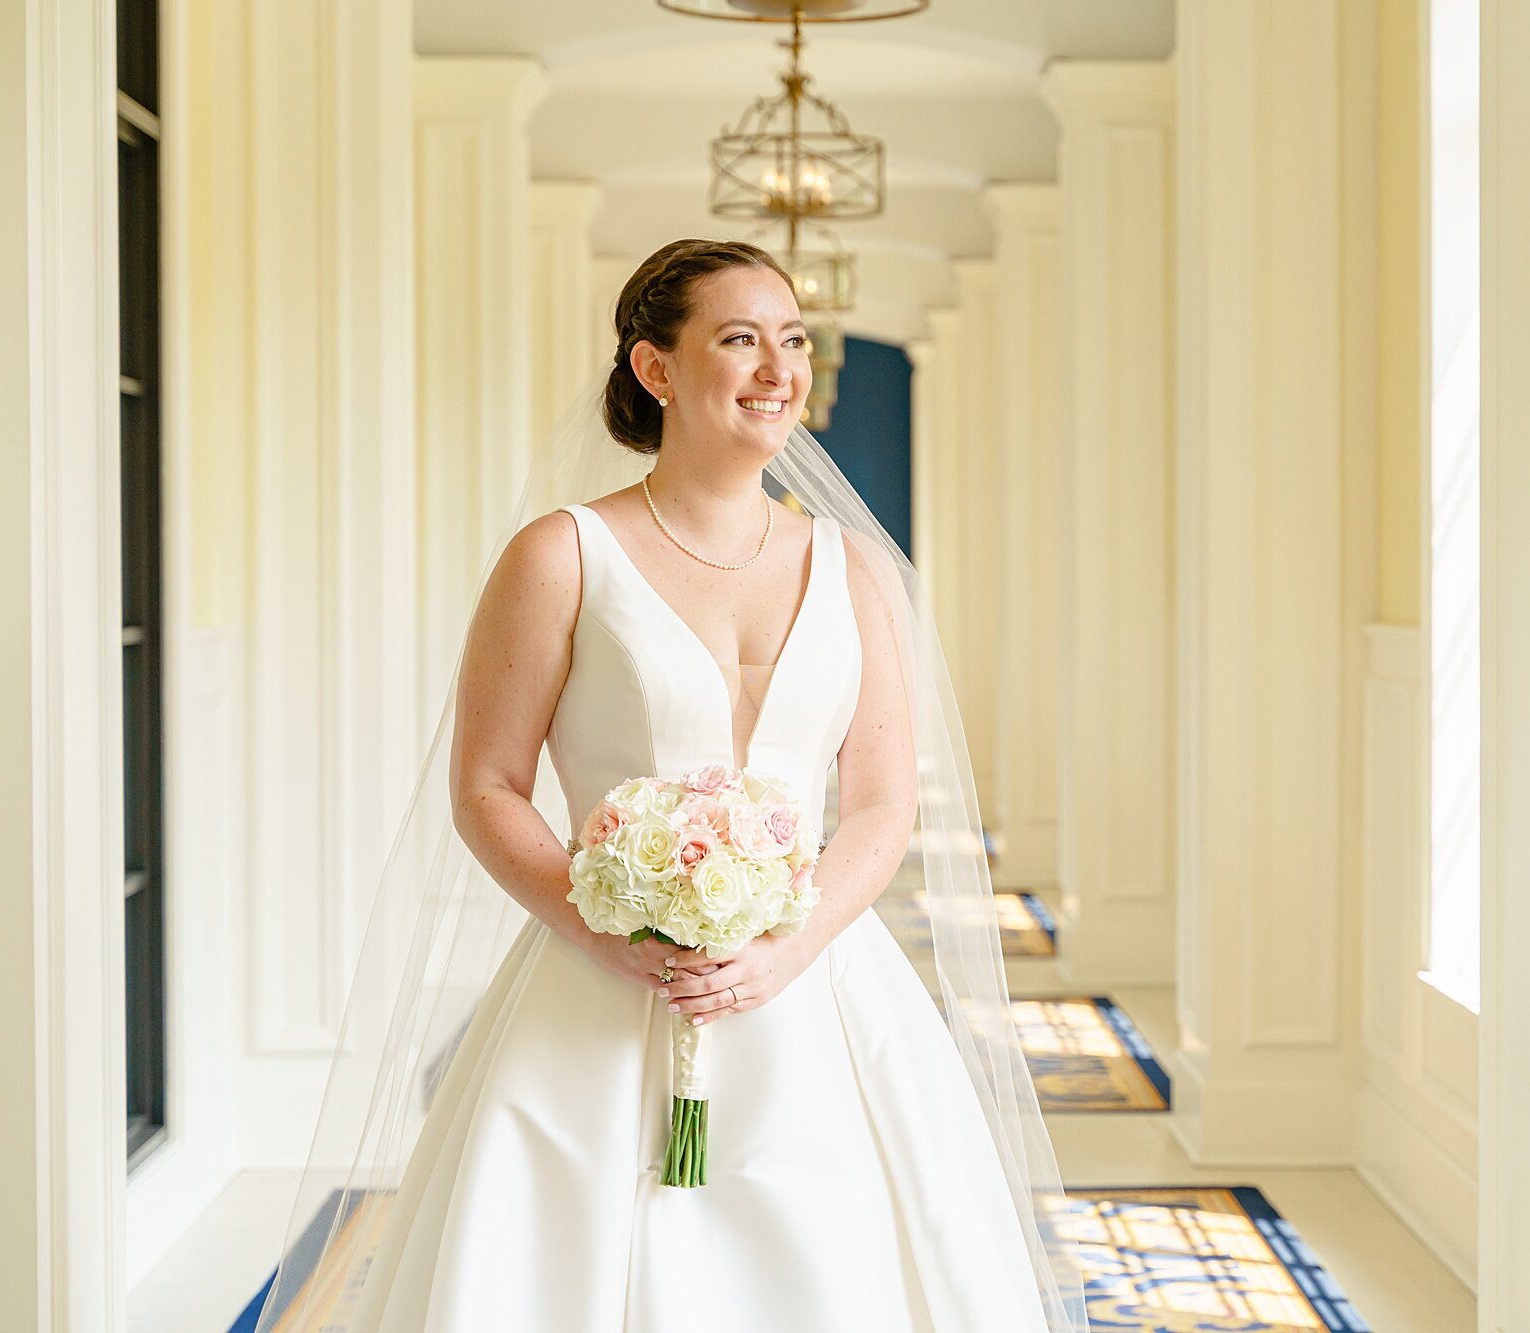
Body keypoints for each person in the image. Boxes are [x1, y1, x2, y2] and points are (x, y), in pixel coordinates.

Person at [251, 239, 1088, 1332]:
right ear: (656, 369)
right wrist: (612, 933)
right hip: (598, 986)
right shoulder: (561, 555)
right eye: (739, 340)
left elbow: (881, 802)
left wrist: (783, 950)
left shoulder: (855, 570)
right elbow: (488, 785)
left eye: (791, 340)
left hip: (819, 989)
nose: (777, 370)